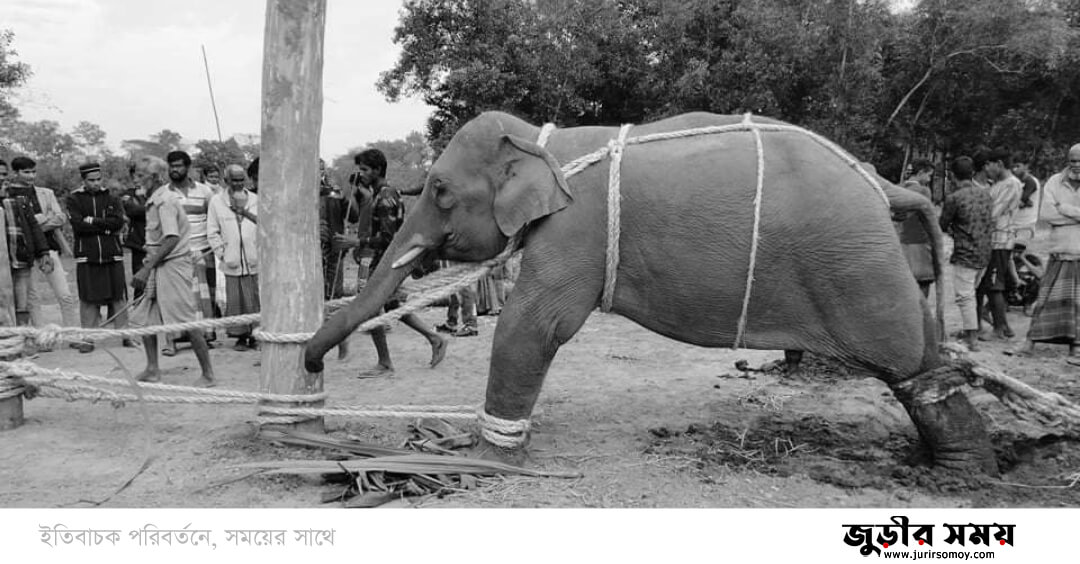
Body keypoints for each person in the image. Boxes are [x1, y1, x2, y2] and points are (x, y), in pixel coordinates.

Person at [335, 148, 446, 376]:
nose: (361, 173)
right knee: (394, 307)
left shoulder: (385, 197)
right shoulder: (381, 193)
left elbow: (388, 239)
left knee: (372, 309)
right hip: (387, 260)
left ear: (377, 169)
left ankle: (385, 362)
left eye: (365, 169)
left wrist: (355, 241)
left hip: (386, 262)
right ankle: (434, 338)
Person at [128, 155, 215, 387]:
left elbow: (171, 238)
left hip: (172, 266)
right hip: (158, 264)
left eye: (140, 175)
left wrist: (146, 269)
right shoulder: (154, 199)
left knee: (186, 320)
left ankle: (208, 374)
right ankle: (152, 368)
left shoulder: (164, 201)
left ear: (154, 177)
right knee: (148, 319)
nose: (136, 180)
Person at [1015, 143, 1080, 364]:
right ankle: (1030, 343)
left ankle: (1076, 349)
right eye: (1073, 160)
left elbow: (1057, 212)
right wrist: (1073, 215)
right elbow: (1047, 213)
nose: (1077, 165)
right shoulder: (1054, 181)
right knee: (1044, 299)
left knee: (1076, 305)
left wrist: (1064, 208)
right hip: (1058, 251)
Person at [66, 162, 136, 351]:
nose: (96, 183)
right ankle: (88, 339)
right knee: (88, 298)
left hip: (112, 253)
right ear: (83, 180)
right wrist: (104, 225)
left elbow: (117, 223)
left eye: (98, 179)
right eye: (91, 180)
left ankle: (125, 336)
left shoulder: (112, 197)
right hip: (87, 255)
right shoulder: (74, 199)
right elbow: (78, 226)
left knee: (118, 296)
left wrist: (93, 221)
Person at [9, 156, 80, 334]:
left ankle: (72, 333)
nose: (31, 176)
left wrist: (34, 225)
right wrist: (39, 221)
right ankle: (41, 336)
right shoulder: (9, 194)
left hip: (49, 248)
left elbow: (60, 217)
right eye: (26, 172)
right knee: (32, 298)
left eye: (33, 171)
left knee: (64, 294)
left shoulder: (45, 193)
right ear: (16, 173)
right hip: (25, 252)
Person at [162, 151, 217, 355]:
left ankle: (204, 336)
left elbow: (213, 219)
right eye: (171, 166)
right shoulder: (164, 194)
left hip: (202, 250)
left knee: (203, 297)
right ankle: (172, 340)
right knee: (176, 298)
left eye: (178, 166)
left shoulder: (205, 192)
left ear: (188, 167)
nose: (174, 170)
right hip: (176, 254)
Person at [939, 156, 993, 351]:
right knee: (972, 292)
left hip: (965, 252)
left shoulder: (954, 198)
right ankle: (972, 331)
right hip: (985, 251)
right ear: (972, 173)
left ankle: (972, 338)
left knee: (965, 296)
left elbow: (942, 225)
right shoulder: (986, 195)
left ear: (953, 176)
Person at [207, 164, 260, 351]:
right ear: (226, 181)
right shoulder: (216, 201)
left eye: (241, 179)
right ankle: (240, 336)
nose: (238, 183)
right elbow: (212, 232)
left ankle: (256, 335)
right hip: (231, 260)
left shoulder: (255, 199)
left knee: (255, 299)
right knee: (235, 301)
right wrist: (222, 253)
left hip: (254, 260)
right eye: (234, 180)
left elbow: (263, 226)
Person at [976, 147, 1023, 341]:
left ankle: (998, 329)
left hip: (1000, 240)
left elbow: (993, 212)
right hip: (991, 240)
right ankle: (1004, 325)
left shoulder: (1011, 185)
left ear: (999, 164)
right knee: (986, 285)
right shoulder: (997, 184)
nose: (988, 169)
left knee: (995, 286)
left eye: (990, 165)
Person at [1, 173, 52, 329]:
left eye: (3, 175)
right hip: (2, 266)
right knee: (4, 304)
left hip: (20, 260)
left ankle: (22, 342)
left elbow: (34, 227)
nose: (2, 179)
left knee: (22, 305)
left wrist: (44, 252)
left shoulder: (20, 201)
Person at [895, 159, 936, 297]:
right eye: (929, 175)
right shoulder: (924, 191)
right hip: (920, 242)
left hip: (900, 242)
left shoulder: (897, 188)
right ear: (920, 173)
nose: (929, 179)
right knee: (923, 283)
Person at [121, 163, 149, 300]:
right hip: (139, 244)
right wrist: (152, 208)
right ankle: (139, 318)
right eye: (135, 176)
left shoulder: (158, 192)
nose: (137, 179)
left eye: (141, 175)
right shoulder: (128, 194)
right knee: (140, 282)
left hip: (160, 244)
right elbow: (131, 210)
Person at [1010, 157, 1041, 246]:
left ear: (1026, 166)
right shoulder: (1017, 181)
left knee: (1018, 254)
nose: (1014, 169)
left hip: (1025, 225)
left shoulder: (1031, 181)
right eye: (1013, 166)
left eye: (1017, 166)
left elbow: (1019, 202)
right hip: (1015, 225)